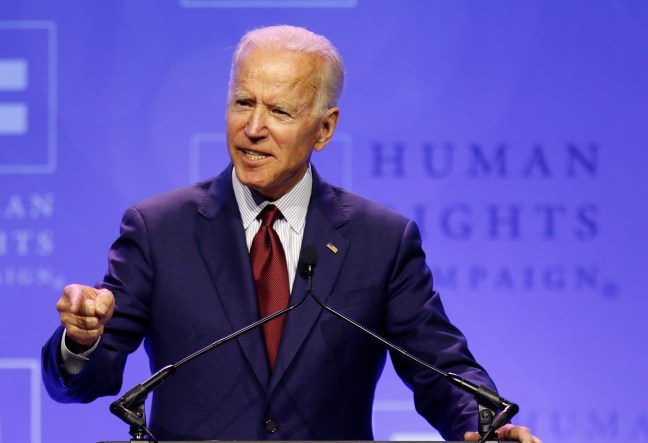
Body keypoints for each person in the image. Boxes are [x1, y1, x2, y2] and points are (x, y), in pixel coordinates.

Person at [42, 25, 541, 443]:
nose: (253, 127)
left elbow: (439, 366)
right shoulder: (159, 230)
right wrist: (81, 341)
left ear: (324, 129)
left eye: (279, 112)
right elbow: (87, 379)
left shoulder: (380, 240)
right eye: (243, 102)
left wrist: (486, 424)